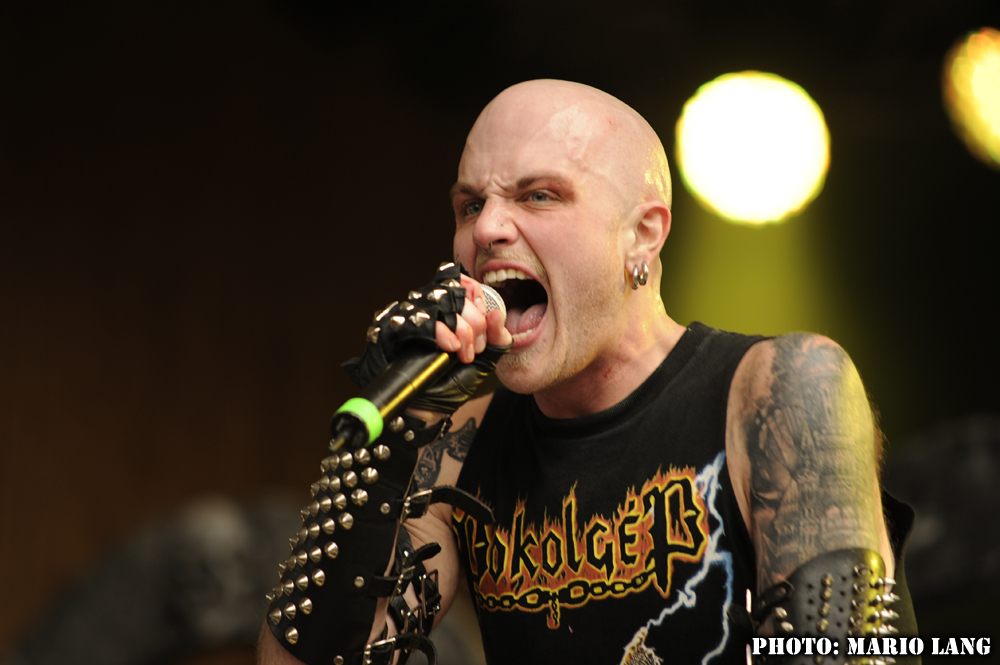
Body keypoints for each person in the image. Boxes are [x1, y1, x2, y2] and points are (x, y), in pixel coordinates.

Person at [258, 80, 916, 665]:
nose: (486, 229)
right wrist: (385, 447)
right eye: (470, 205)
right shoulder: (460, 437)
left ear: (643, 234)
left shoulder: (779, 386)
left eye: (539, 195)